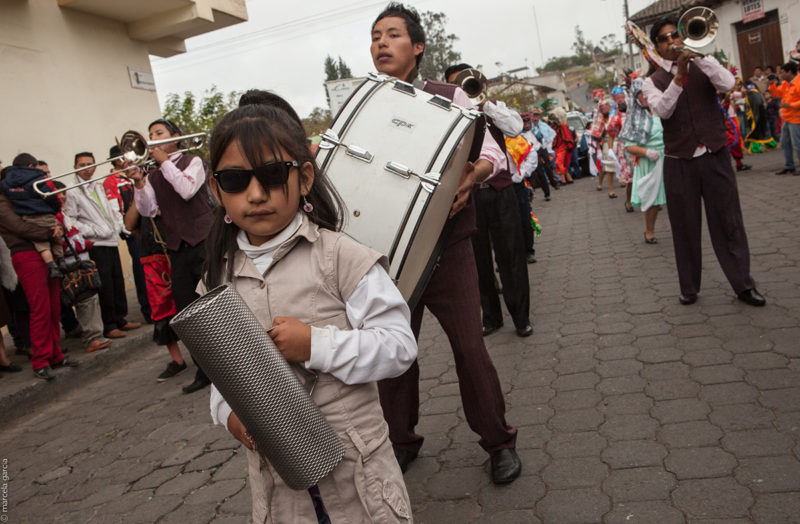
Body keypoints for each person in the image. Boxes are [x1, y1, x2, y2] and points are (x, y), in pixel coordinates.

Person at [204, 102, 416, 522]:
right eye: (235, 180)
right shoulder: (219, 281)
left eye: (271, 175)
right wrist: (229, 415)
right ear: (216, 190)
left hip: (359, 477)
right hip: (280, 489)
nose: (256, 194)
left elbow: (398, 346)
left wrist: (315, 344)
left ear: (303, 178)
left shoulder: (341, 257)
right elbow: (220, 373)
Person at [370, 2, 522, 485]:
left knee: (469, 348)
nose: (380, 43)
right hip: (392, 252)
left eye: (392, 35)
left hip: (450, 246)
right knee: (394, 354)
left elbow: (494, 157)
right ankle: (400, 441)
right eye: (375, 36)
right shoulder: (367, 103)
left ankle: (498, 443)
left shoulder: (452, 95)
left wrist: (470, 177)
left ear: (417, 47)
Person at [642, 15, 766, 307]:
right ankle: (689, 286)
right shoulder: (651, 81)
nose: (672, 41)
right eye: (665, 38)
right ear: (656, 46)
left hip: (714, 154)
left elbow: (727, 83)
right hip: (679, 161)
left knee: (728, 221)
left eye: (676, 35)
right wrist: (677, 77)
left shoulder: (705, 64)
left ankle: (743, 285)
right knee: (684, 226)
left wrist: (700, 58)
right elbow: (662, 111)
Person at [443, 63, 532, 338]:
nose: (462, 89)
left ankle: (521, 318)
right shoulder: (446, 113)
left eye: (465, 82)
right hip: (470, 196)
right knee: (478, 261)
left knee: (511, 256)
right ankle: (491, 317)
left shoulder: (493, 108)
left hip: (500, 190)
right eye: (455, 85)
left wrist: (485, 103)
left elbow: (516, 128)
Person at [130, 119, 214, 394]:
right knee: (188, 314)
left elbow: (187, 190)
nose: (152, 139)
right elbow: (148, 211)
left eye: (159, 134)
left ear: (176, 137)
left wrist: (165, 162)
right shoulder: (153, 174)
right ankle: (205, 371)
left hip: (204, 243)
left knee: (215, 306)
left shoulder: (194, 161)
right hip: (177, 249)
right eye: (151, 135)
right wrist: (140, 184)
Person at [0, 187, 77, 379]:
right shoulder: (3, 201)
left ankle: (55, 355)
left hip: (45, 251)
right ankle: (40, 361)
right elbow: (20, 228)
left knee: (53, 307)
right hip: (25, 254)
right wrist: (49, 232)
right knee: (39, 308)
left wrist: (55, 228)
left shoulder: (23, 197)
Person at [63, 152, 141, 338]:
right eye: (82, 164)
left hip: (111, 240)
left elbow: (109, 211)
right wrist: (95, 231)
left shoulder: (98, 186)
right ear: (75, 167)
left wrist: (114, 228)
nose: (87, 168)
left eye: (90, 164)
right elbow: (71, 221)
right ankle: (109, 324)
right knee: (104, 284)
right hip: (96, 243)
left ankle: (120, 319)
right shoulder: (72, 191)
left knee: (116, 281)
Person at [53, 183, 113, 353]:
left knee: (89, 299)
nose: (63, 196)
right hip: (72, 265)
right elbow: (67, 242)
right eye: (58, 194)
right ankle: (92, 337)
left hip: (80, 261)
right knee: (86, 300)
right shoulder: (57, 217)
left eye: (63, 193)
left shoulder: (63, 214)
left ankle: (94, 335)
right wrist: (82, 244)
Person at [0, 153, 64, 278]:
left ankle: (55, 264)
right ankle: (58, 262)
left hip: (34, 229)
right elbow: (19, 227)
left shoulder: (9, 186)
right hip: (26, 251)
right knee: (40, 297)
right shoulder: (35, 179)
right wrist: (50, 232)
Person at [106, 146, 151, 322]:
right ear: (118, 160)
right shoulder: (112, 180)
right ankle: (148, 310)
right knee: (141, 271)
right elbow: (114, 209)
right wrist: (126, 230)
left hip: (148, 225)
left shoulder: (138, 172)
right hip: (134, 231)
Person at [620, 78, 666, 244]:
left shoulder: (661, 111)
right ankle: (649, 230)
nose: (645, 98)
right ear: (636, 97)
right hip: (649, 161)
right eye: (641, 95)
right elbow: (629, 146)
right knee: (652, 199)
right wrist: (646, 152)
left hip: (667, 157)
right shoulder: (634, 118)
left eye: (647, 94)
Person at [769, 61, 800, 175]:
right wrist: (772, 84)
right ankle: (789, 165)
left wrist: (790, 105)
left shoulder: (798, 83)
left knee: (797, 144)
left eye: (782, 72)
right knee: (784, 142)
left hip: (796, 119)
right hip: (787, 118)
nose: (780, 75)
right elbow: (776, 94)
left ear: (790, 72)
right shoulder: (786, 83)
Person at [591, 97, 617, 198]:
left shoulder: (614, 116)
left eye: (607, 106)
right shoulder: (599, 120)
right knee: (607, 168)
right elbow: (597, 136)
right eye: (602, 107)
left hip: (618, 143)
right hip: (606, 144)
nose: (605, 108)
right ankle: (610, 190)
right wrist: (598, 151)